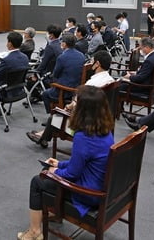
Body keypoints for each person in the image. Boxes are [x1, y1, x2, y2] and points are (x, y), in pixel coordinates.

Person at [18, 85, 115, 240]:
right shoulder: (105, 129)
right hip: (104, 185)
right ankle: (53, 210)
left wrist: (53, 172)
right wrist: (59, 164)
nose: (72, 104)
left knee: (38, 180)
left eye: (75, 101)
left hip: (90, 194)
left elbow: (72, 174)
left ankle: (35, 231)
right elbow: (84, 161)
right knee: (50, 171)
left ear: (83, 109)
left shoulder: (83, 136)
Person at [26, 50, 115, 147]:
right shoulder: (111, 80)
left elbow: (81, 105)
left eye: (92, 61)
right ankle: (43, 136)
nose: (90, 63)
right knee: (60, 114)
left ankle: (43, 137)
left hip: (83, 126)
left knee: (55, 117)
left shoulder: (92, 84)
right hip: (101, 120)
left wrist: (70, 107)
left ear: (97, 64)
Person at [0, 32, 30, 117]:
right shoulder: (25, 57)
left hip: (5, 90)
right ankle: (0, 107)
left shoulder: (5, 60)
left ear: (10, 43)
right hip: (19, 88)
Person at [41, 33, 86, 114]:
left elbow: (56, 74)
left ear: (64, 44)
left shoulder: (62, 57)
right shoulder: (81, 55)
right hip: (77, 87)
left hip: (65, 90)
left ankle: (53, 116)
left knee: (45, 93)